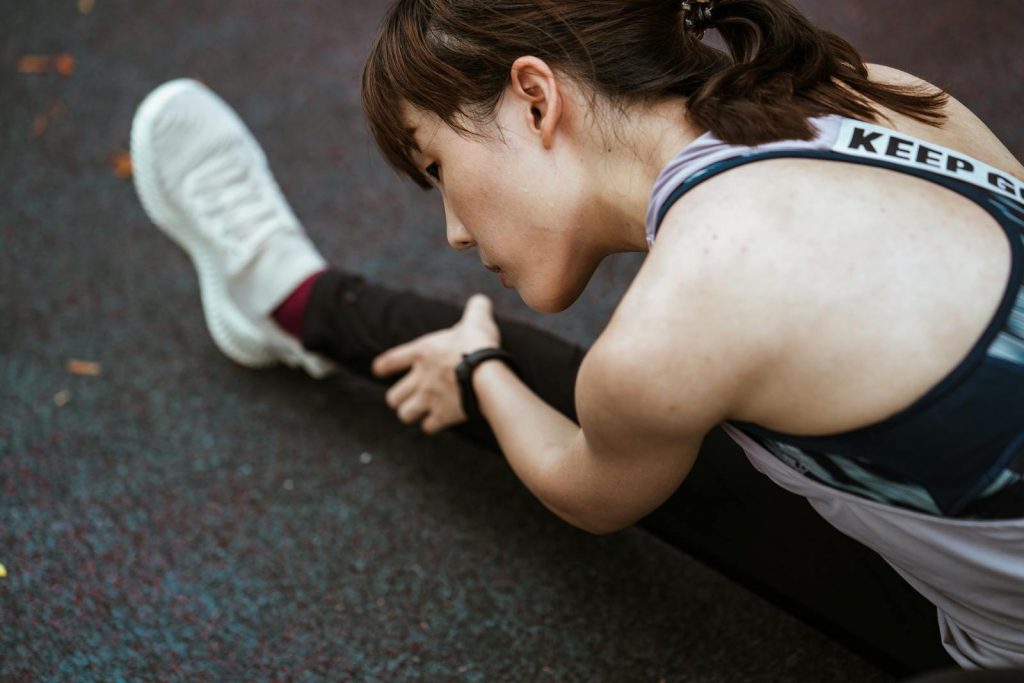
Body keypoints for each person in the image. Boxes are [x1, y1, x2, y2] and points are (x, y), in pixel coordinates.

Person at [130, 0, 1024, 673]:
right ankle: (292, 298)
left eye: (437, 166)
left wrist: (478, 362)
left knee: (615, 408)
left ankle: (291, 298)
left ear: (533, 96)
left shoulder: (681, 319)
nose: (452, 229)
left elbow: (586, 487)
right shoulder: (882, 94)